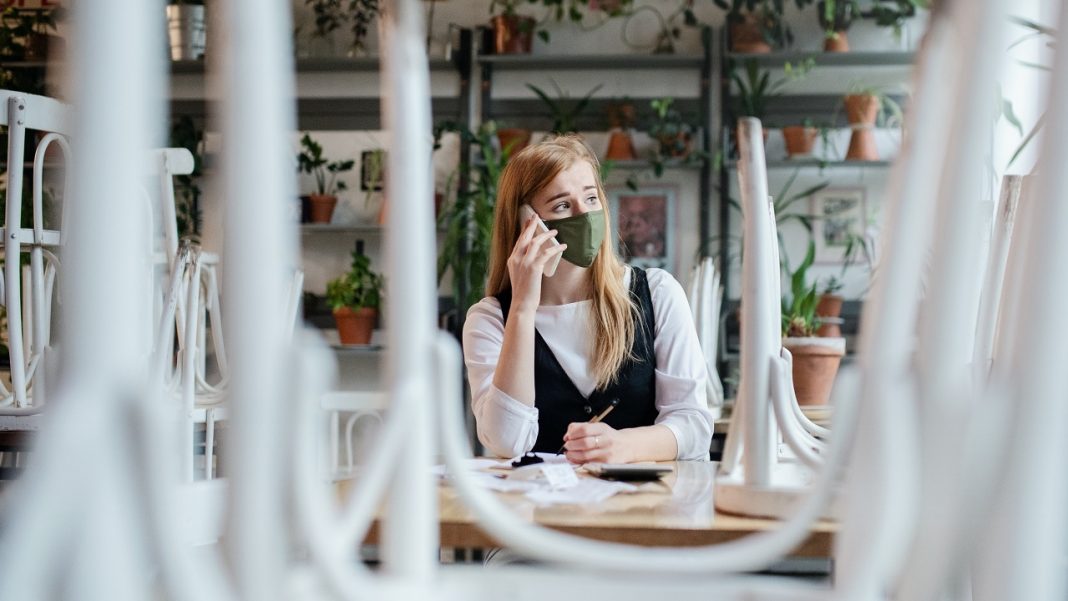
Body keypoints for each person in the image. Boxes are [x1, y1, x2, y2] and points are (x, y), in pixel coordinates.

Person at [462, 135, 715, 463]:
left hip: (644, 507)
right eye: (563, 205)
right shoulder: (490, 319)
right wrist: (523, 308)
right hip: (540, 509)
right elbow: (507, 442)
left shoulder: (657, 293)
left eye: (592, 199)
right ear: (527, 222)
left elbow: (694, 425)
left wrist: (624, 446)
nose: (585, 215)